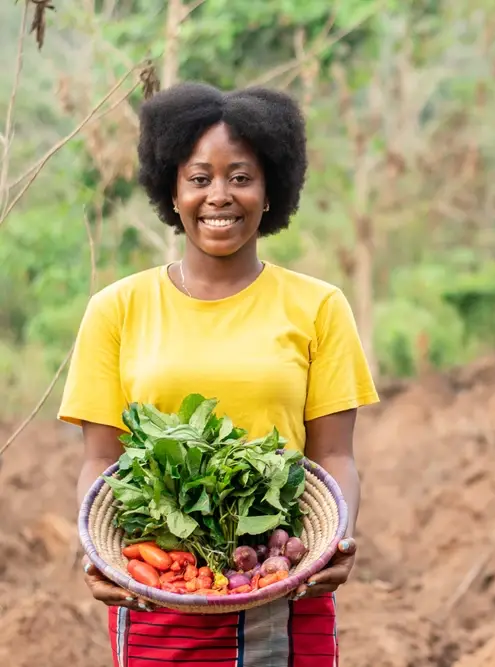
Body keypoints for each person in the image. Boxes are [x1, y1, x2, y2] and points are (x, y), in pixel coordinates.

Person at [58, 82, 379, 666]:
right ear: (172, 189)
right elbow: (99, 465)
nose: (219, 197)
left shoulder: (319, 306)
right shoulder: (116, 310)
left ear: (270, 188)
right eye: (200, 178)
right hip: (161, 582)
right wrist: (97, 553)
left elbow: (335, 459)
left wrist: (337, 539)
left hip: (284, 579)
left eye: (241, 177)